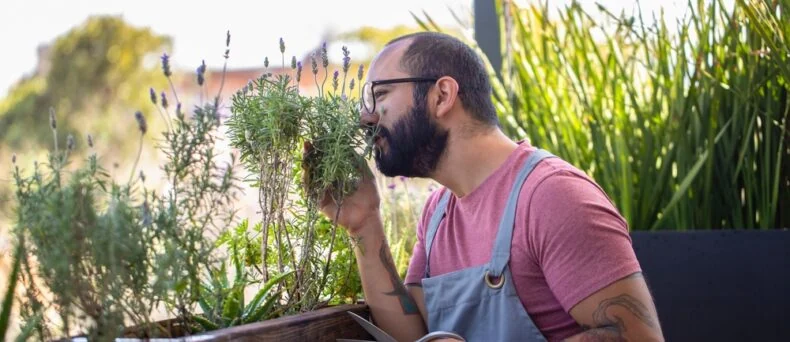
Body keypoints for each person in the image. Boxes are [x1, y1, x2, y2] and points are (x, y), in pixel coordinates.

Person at [315, 32, 665, 342]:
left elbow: (638, 337)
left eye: (381, 93)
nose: (366, 115)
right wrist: (364, 223)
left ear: (442, 96)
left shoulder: (552, 196)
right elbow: (413, 334)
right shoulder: (438, 213)